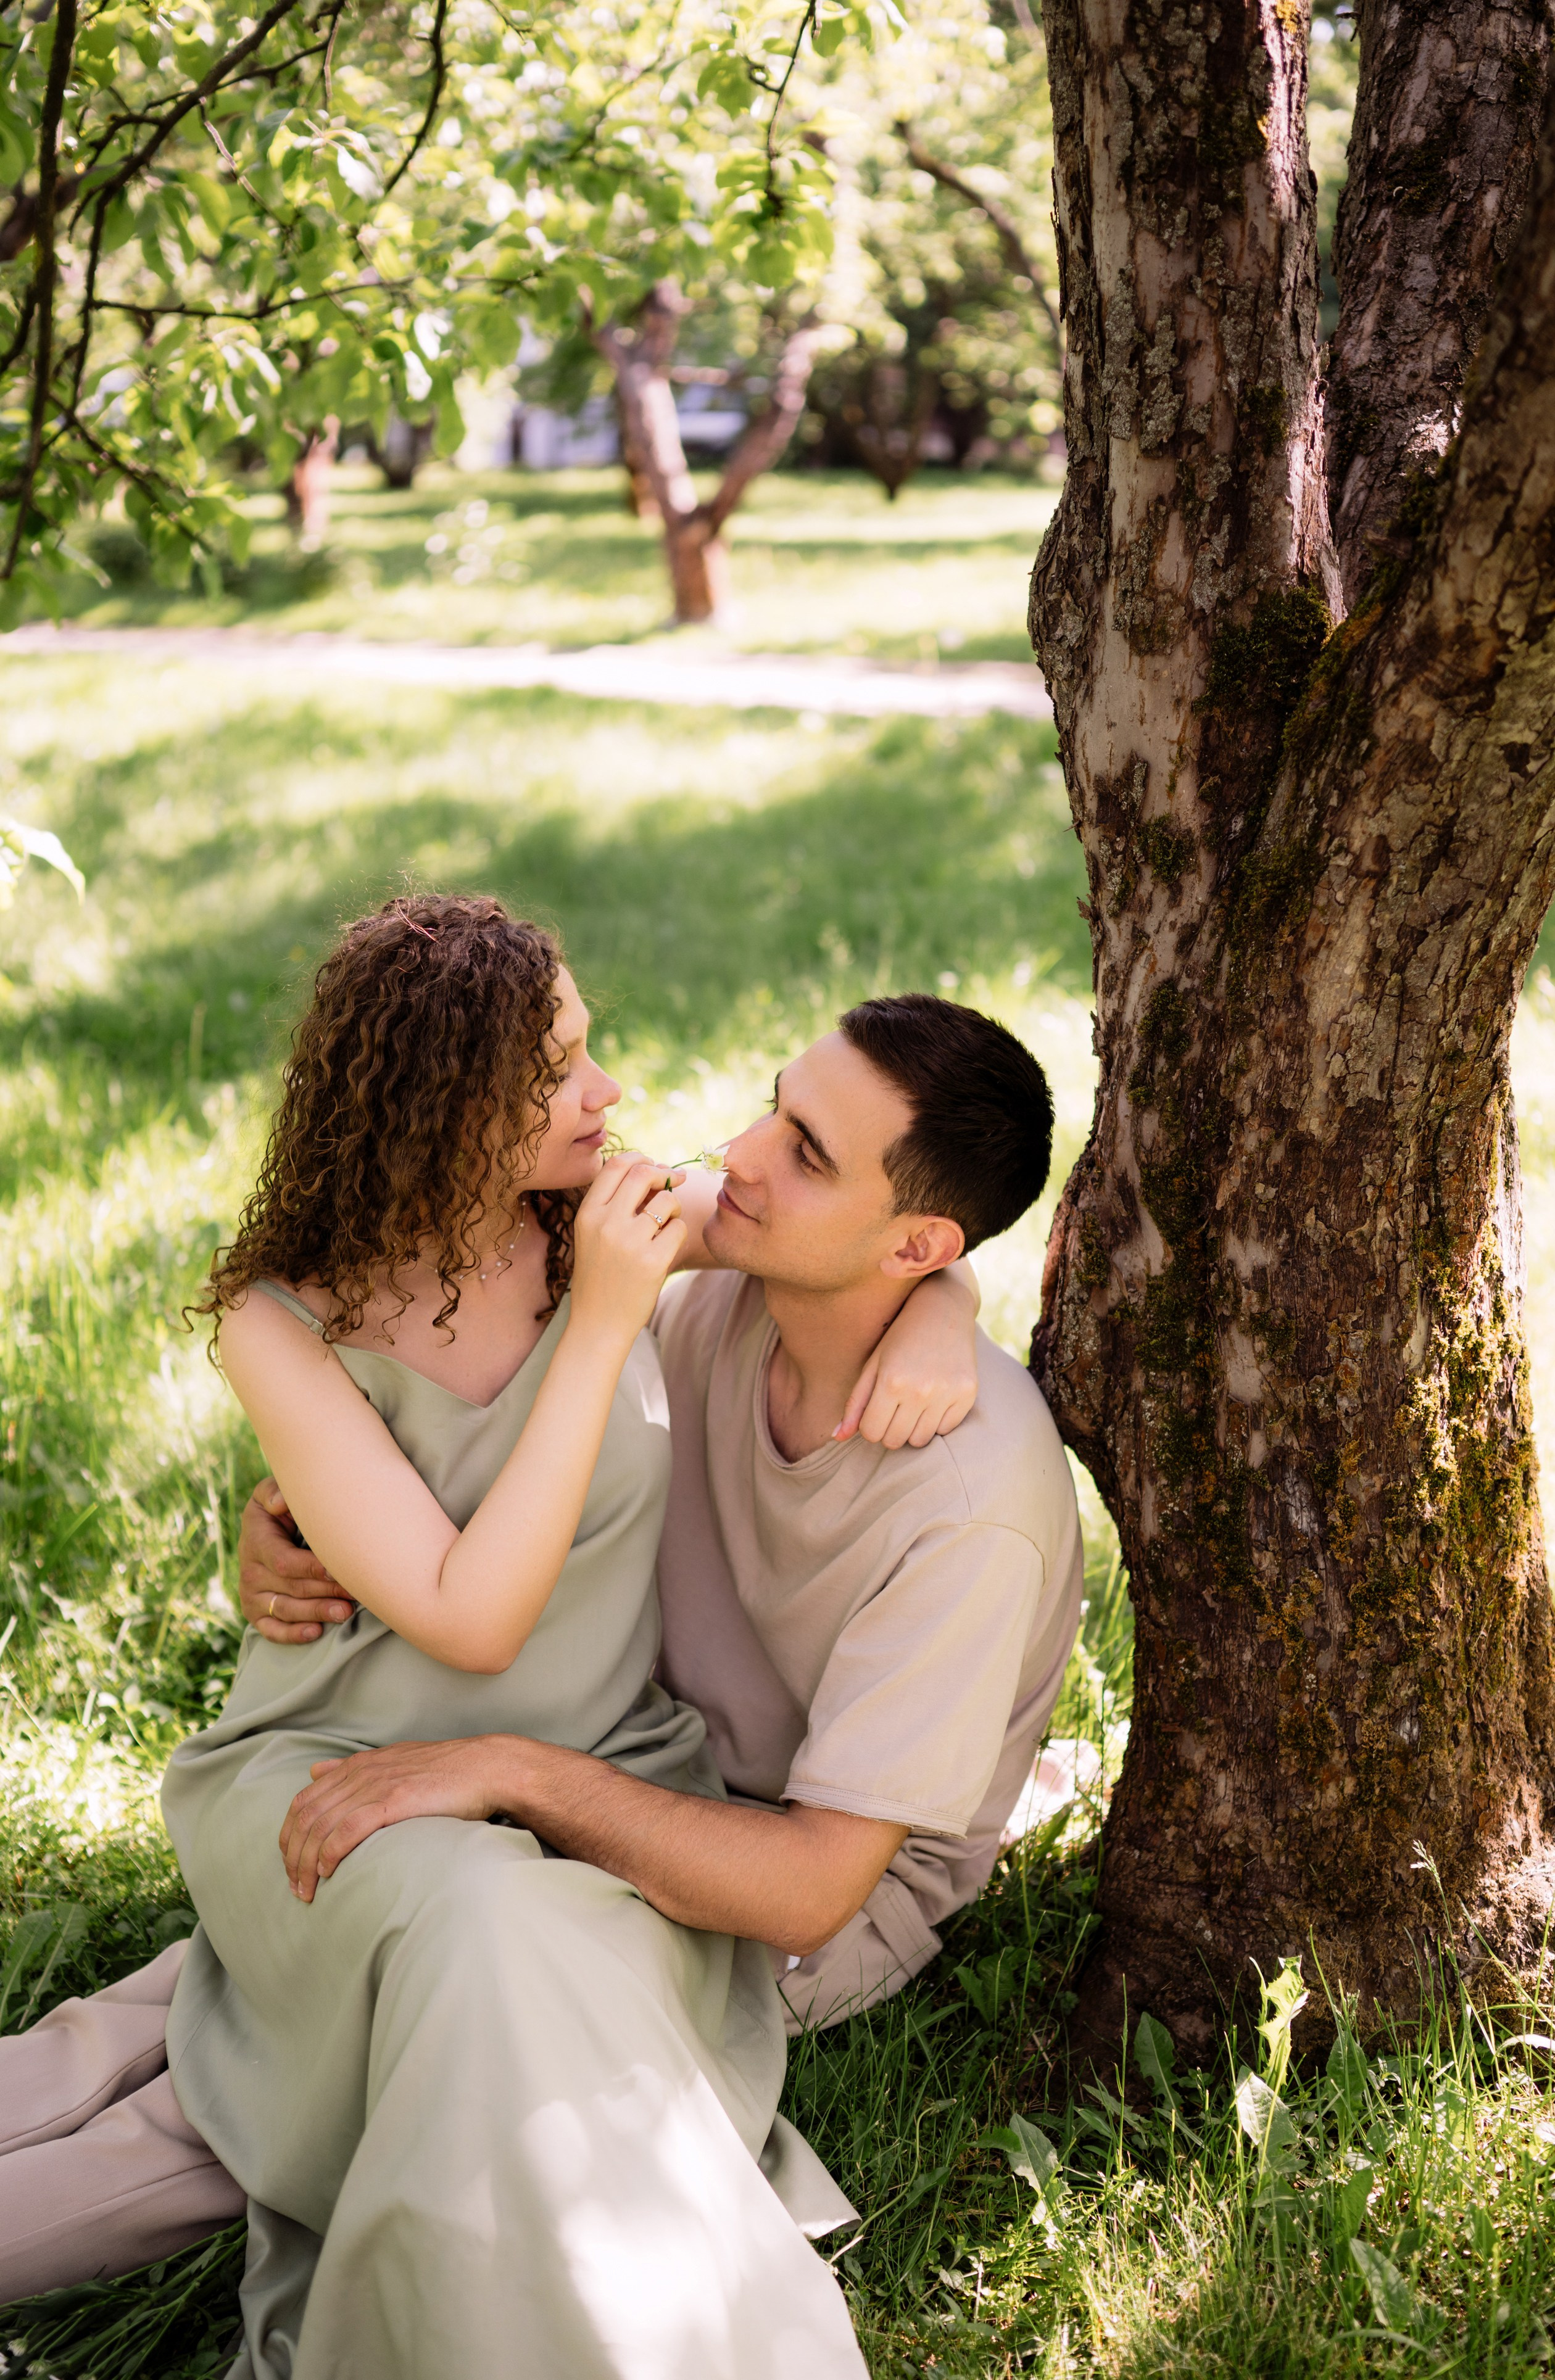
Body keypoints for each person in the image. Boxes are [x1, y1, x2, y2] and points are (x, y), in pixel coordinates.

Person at [0, 977, 1084, 2355]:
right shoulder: (749, 1270)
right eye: (774, 1109)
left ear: (908, 1237)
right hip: (633, 1759)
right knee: (242, 1966)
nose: (738, 1157)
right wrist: (295, 1523)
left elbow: (815, 1881)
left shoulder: (969, 1502)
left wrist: (504, 1770)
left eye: (804, 1153)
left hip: (780, 1893)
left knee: (305, 2065)